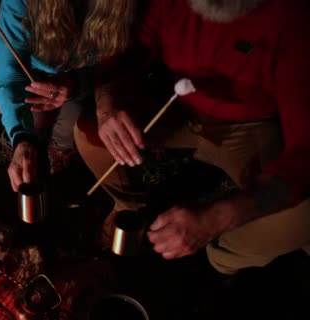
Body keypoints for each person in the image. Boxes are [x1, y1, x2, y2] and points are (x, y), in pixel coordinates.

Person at [74, 0, 310, 275]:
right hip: (176, 105)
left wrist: (218, 218)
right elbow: (129, 52)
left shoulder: (294, 18)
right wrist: (107, 104)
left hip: (249, 125)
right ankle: (130, 208)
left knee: (299, 218)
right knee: (89, 132)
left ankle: (221, 256)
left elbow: (304, 154)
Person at [0, 0, 137, 191]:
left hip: (82, 75)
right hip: (30, 69)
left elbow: (122, 58)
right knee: (30, 114)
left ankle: (59, 151)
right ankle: (36, 148)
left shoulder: (121, 6)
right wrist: (21, 136)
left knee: (73, 128)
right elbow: (10, 69)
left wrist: (75, 82)